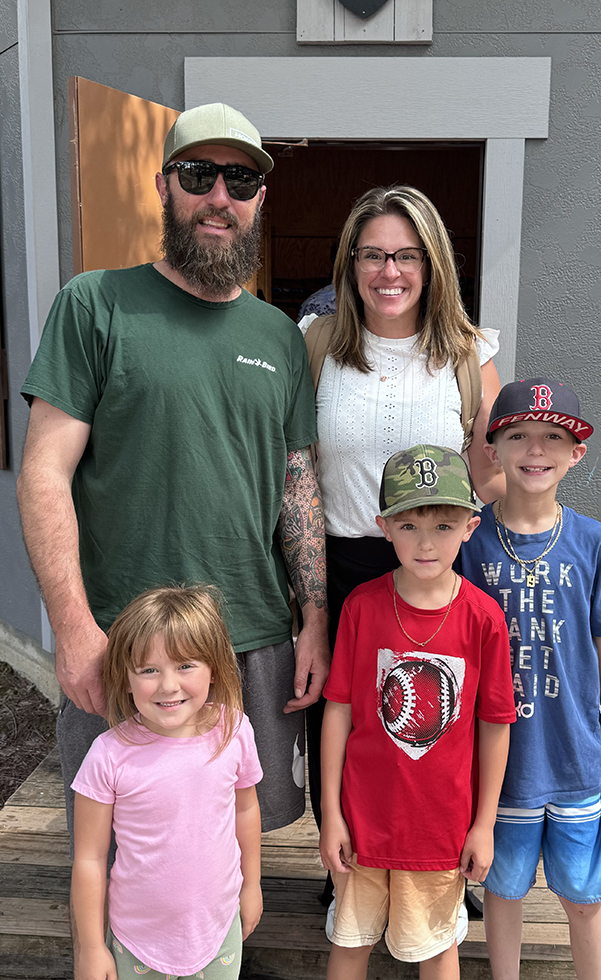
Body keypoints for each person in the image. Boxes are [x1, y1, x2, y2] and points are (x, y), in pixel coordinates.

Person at [16, 102, 329, 838]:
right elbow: (42, 475)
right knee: (122, 842)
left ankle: (217, 957)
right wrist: (74, 628)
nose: (220, 197)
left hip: (249, 636)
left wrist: (313, 621)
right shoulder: (95, 305)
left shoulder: (279, 337)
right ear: (164, 186)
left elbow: (298, 489)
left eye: (241, 180)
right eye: (200, 174)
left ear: (259, 199)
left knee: (237, 835)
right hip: (128, 642)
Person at [300, 184, 505, 840]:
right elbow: (291, 467)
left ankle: (444, 852)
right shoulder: (317, 344)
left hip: (435, 562)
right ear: (349, 265)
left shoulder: (472, 354)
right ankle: (347, 857)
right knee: (344, 716)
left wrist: (560, 535)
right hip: (342, 560)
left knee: (438, 711)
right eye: (372, 255)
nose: (390, 272)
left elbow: (497, 474)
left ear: (434, 262)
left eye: (408, 255)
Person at [457, 379, 601, 980]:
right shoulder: (469, 541)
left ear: (576, 453)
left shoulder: (588, 541)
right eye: (519, 436)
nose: (536, 449)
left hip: (576, 757)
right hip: (501, 766)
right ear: (492, 447)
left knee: (585, 899)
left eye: (553, 437)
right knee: (504, 893)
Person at [320, 445, 516, 980]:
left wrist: (484, 824)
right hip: (363, 819)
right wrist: (333, 814)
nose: (425, 543)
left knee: (435, 948)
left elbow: (495, 725)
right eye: (408, 526)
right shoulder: (361, 606)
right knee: (349, 939)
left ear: (470, 527)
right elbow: (336, 711)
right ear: (383, 527)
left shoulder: (482, 618)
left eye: (443, 525)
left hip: (440, 825)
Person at [71, 585, 262, 980]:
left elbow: (247, 810)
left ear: (214, 669)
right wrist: (91, 948)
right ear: (124, 678)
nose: (168, 685)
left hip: (219, 932)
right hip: (137, 942)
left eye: (186, 665)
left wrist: (252, 886)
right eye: (149, 670)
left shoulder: (234, 730)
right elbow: (89, 859)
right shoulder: (107, 755)